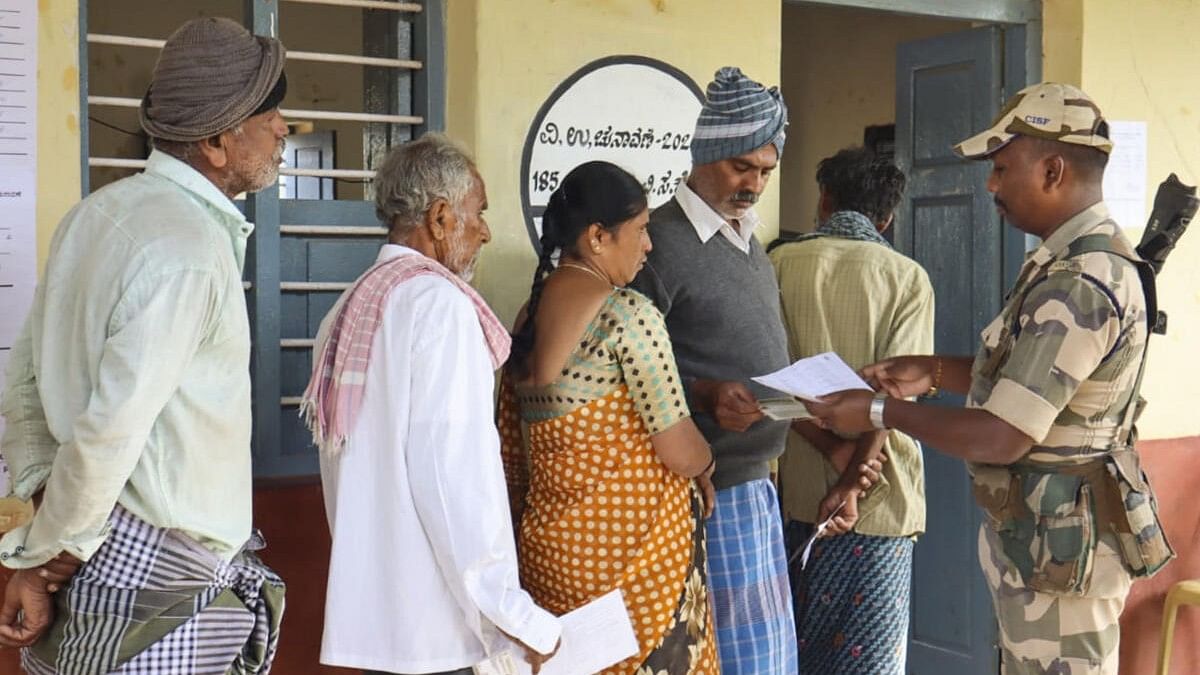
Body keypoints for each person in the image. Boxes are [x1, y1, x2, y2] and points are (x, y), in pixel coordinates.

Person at [808, 83, 1174, 675]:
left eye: (1003, 168)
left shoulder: (1078, 281)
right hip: (1046, 547)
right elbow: (1025, 380)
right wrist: (928, 371)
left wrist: (877, 412)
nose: (991, 185)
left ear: (1053, 169)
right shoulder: (1066, 262)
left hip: (1063, 560)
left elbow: (1003, 434)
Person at [0, 17, 288, 672]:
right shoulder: (188, 249)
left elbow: (21, 384)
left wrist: (44, 529)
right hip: (153, 596)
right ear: (217, 139)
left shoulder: (92, 216)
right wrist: (48, 557)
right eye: (268, 112)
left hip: (91, 564)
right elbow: (111, 432)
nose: (282, 128)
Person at [306, 134, 560, 675]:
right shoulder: (438, 306)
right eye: (480, 213)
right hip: (437, 631)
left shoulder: (348, 307)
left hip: (381, 624)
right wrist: (515, 616)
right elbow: (454, 481)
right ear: (441, 217)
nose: (486, 231)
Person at [500, 161, 719, 674]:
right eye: (641, 231)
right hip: (632, 572)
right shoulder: (628, 315)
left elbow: (511, 444)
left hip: (549, 560)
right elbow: (680, 451)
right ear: (598, 236)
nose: (648, 246)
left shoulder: (527, 316)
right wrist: (707, 460)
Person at [629, 65, 798, 674]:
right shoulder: (657, 242)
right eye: (741, 167)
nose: (754, 184)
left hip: (757, 480)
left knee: (764, 654)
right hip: (705, 488)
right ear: (704, 157)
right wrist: (703, 392)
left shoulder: (749, 241)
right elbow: (634, 358)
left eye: (765, 172)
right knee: (732, 657)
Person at [768, 146, 933, 673]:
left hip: (800, 498)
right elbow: (897, 393)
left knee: (799, 653)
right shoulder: (906, 277)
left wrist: (837, 456)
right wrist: (857, 476)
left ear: (824, 200)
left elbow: (773, 383)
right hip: (883, 497)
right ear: (886, 217)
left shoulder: (776, 264)